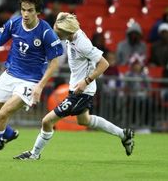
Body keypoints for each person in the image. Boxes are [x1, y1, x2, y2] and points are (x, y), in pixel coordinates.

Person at [13, 12, 134, 160]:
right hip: (76, 88)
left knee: (47, 121)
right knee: (84, 120)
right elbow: (62, 15)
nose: (55, 34)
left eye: (58, 32)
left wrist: (86, 81)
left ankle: (34, 154)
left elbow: (104, 64)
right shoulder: (68, 33)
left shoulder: (82, 43)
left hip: (82, 91)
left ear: (67, 32)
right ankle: (124, 134)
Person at [0, 0, 63, 151]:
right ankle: (9, 133)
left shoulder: (46, 32)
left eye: (30, 10)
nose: (26, 14)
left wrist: (40, 86)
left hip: (30, 81)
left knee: (3, 113)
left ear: (38, 11)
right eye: (23, 9)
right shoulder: (14, 23)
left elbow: (54, 62)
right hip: (10, 74)